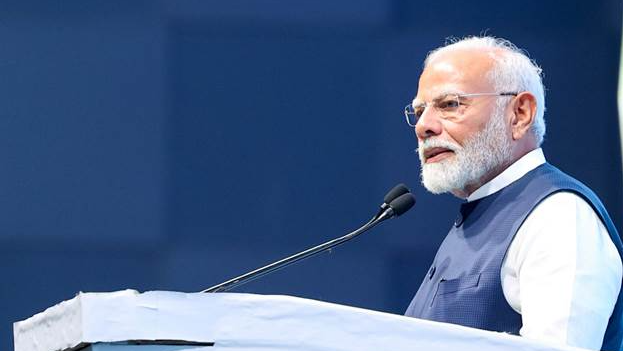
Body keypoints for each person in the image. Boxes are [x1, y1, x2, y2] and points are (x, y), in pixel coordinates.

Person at [402, 36, 623, 351]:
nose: (423, 126)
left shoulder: (558, 216)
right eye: (420, 111)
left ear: (520, 114)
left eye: (449, 104)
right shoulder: (479, 213)